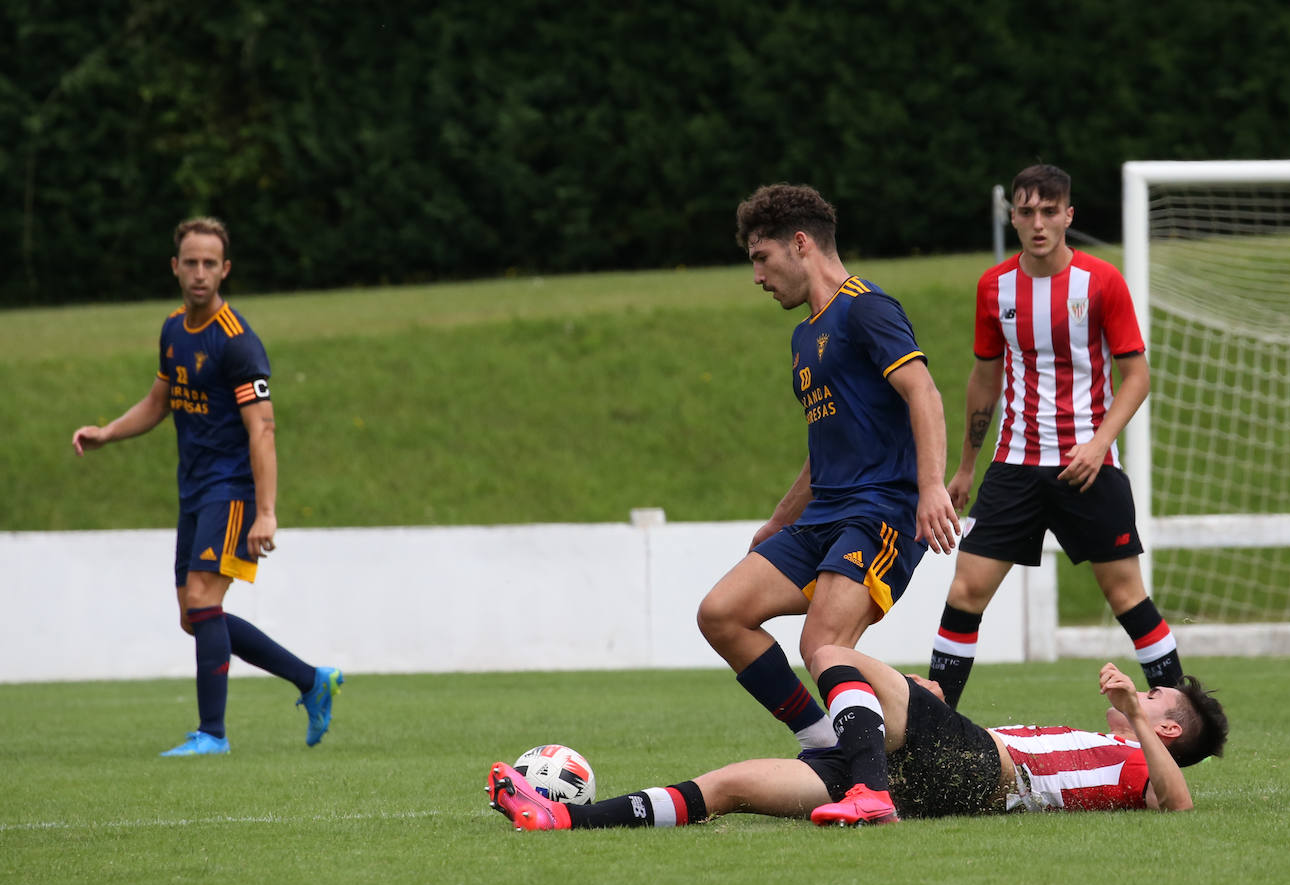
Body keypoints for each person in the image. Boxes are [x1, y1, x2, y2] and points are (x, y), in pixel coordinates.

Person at [696, 183, 961, 756]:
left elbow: (924, 392)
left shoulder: (866, 308)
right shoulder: (804, 336)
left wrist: (931, 486)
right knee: (721, 614)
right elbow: (825, 450)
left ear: (800, 244)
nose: (758, 278)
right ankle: (822, 741)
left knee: (822, 645)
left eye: (761, 259)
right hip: (824, 514)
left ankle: (913, 734)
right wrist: (775, 522)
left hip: (880, 512)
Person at [71, 217, 343, 757]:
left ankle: (212, 734)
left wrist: (266, 512)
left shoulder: (238, 343)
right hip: (193, 490)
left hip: (232, 488)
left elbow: (262, 428)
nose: (199, 273)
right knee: (194, 617)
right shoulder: (174, 329)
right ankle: (311, 680)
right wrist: (108, 433)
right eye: (190, 263)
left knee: (201, 601)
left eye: (210, 264)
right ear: (175, 267)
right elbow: (158, 402)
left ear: (225, 269)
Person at [927, 164, 1184, 711]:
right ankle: (934, 728)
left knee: (1126, 597)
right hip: (1015, 465)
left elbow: (1137, 376)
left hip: (1087, 466)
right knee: (965, 591)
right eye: (1026, 211)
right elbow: (985, 377)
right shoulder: (994, 287)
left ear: (1069, 215)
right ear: (1013, 217)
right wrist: (967, 466)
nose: (1038, 223)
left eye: (1049, 211)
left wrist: (1098, 444)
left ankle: (1182, 719)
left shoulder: (1102, 282)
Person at [485, 644, 1228, 830]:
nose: (1140, 688)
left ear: (1166, 727)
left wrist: (1135, 715)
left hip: (982, 773)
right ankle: (563, 817)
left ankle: (864, 783)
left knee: (836, 647)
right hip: (950, 777)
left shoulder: (1139, 759)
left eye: (1155, 695)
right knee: (732, 785)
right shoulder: (1118, 745)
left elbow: (1180, 804)